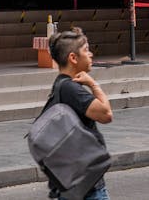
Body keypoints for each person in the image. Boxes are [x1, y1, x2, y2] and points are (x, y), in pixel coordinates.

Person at [43, 28, 114, 200]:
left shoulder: (60, 85)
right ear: (73, 58)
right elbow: (106, 114)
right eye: (86, 50)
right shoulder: (71, 89)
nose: (91, 54)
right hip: (87, 188)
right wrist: (94, 85)